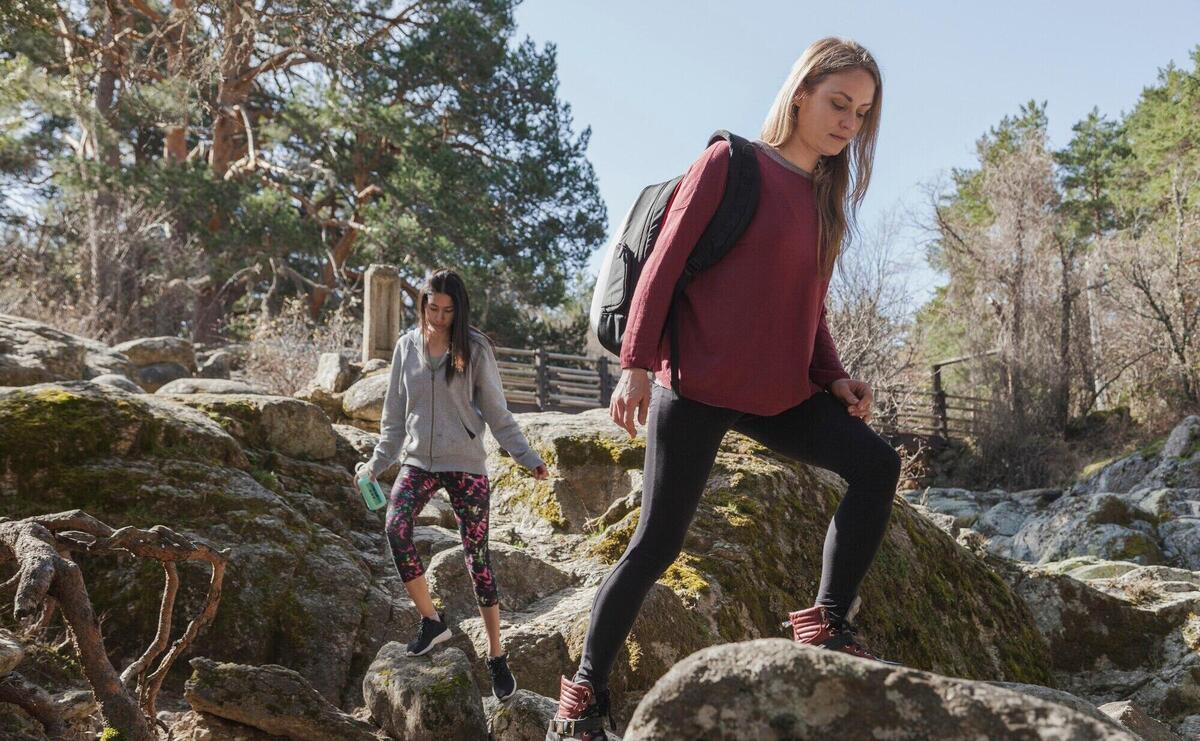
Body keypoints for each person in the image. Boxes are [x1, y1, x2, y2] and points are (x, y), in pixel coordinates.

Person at [548, 37, 900, 739]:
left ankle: (825, 622)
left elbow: (811, 308)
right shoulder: (731, 162)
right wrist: (637, 366)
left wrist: (834, 377)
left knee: (877, 464)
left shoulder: (823, 200)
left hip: (781, 395)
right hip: (700, 385)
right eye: (838, 103)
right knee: (657, 543)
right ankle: (582, 699)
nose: (847, 123)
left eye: (860, 114)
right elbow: (663, 267)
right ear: (800, 93)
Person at [360, 269, 549, 703]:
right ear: (422, 302)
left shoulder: (475, 348)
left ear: (457, 310)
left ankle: (497, 656)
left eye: (448, 311)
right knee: (395, 526)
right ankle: (432, 622)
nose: (440, 317)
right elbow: (392, 421)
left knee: (477, 559)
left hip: (466, 465)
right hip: (418, 462)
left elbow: (497, 414)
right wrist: (375, 465)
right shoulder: (406, 348)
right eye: (433, 308)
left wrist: (528, 458)